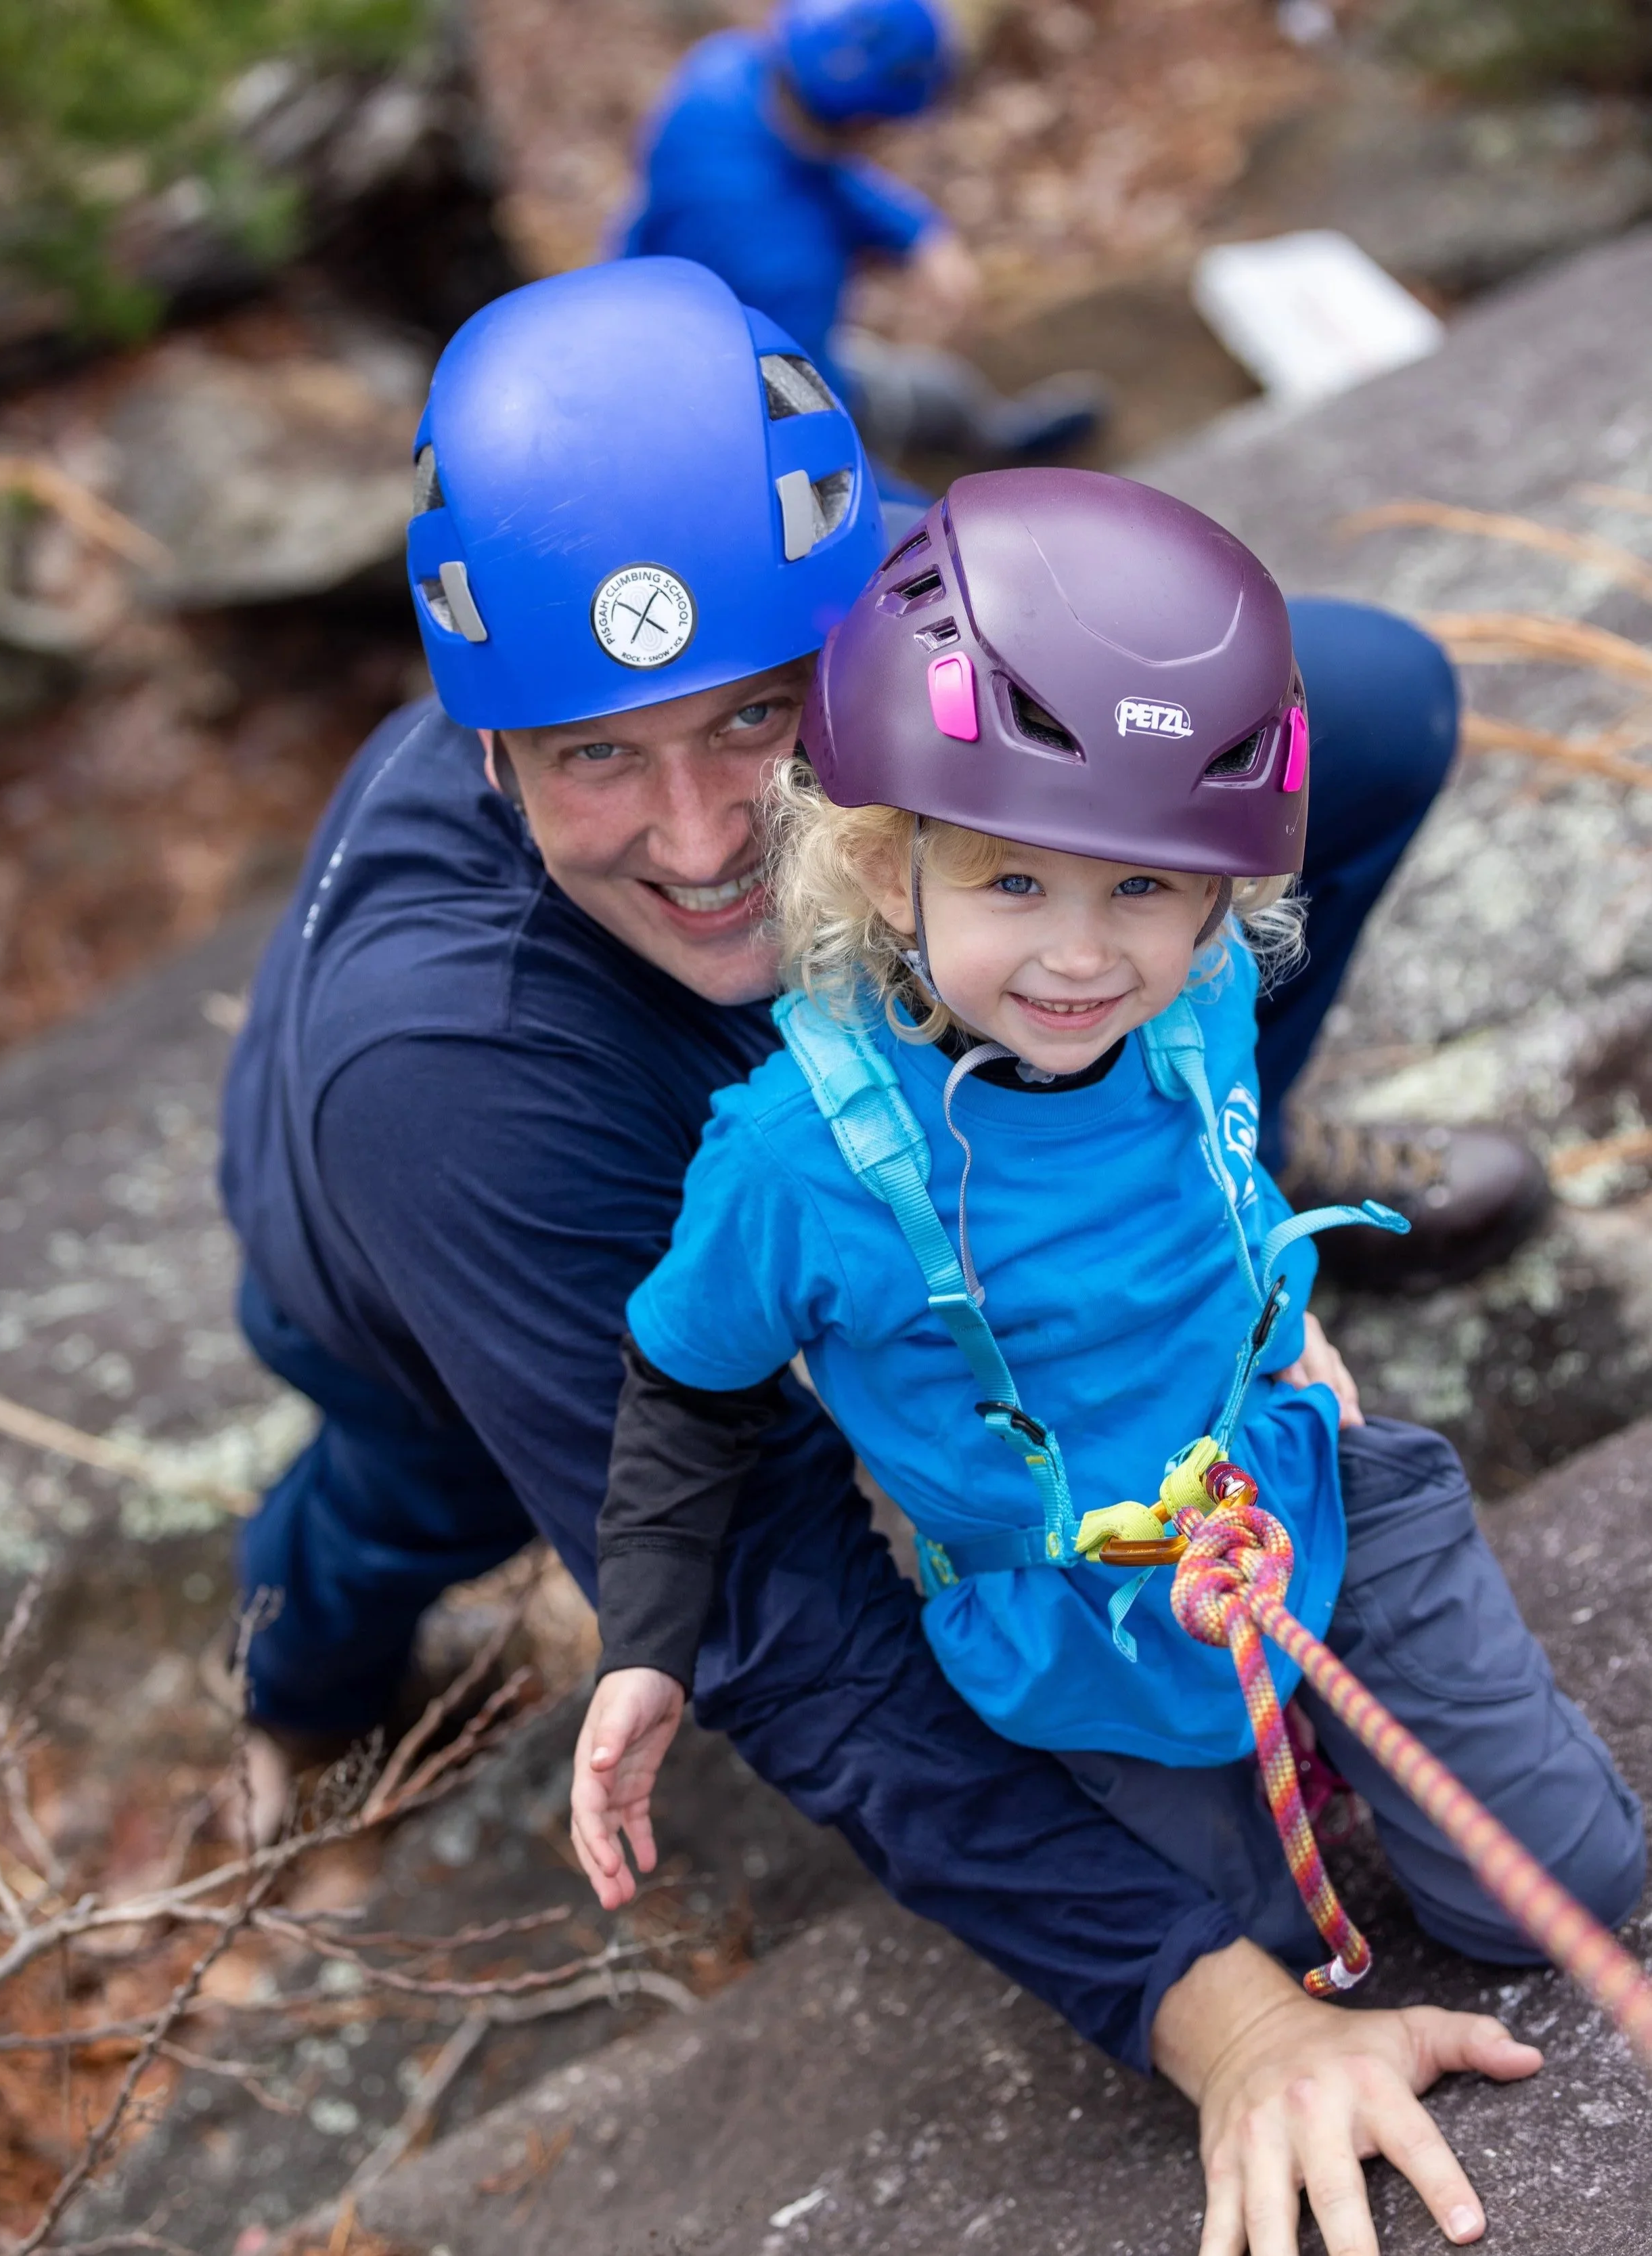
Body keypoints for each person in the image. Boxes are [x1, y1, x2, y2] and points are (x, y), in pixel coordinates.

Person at [223, 259, 1550, 2256]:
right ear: (484, 745)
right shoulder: (453, 1086)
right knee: (394, 1500)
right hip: (435, 1276)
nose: (699, 841)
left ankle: (1176, 1176)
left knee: (1351, 703)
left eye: (760, 720)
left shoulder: (884, 591)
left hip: (875, 1106)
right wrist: (1228, 2023)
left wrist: (1191, 1170)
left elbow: (1240, 719)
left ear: (854, 631)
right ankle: (290, 1686)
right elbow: (778, 1617)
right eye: (593, 753)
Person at [570, 468, 1643, 2027]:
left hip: (1302, 1487)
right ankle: (1287, 1769)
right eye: (1013, 881)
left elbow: (1205, 1175)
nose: (1083, 956)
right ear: (887, 865)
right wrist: (648, 1642)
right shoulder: (801, 1168)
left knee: (1563, 1894)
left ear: (1224, 891)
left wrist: (1292, 1329)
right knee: (1265, 1958)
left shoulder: (1194, 990)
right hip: (1085, 1618)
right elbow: (683, 1384)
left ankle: (1349, 1718)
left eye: (1145, 887)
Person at [617, 0, 1105, 477]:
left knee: (937, 394)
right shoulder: (785, 264)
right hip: (720, 412)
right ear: (864, 123)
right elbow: (807, 416)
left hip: (650, 322)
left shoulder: (728, 68)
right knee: (910, 448)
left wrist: (917, 235)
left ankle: (997, 439)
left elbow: (813, 172)